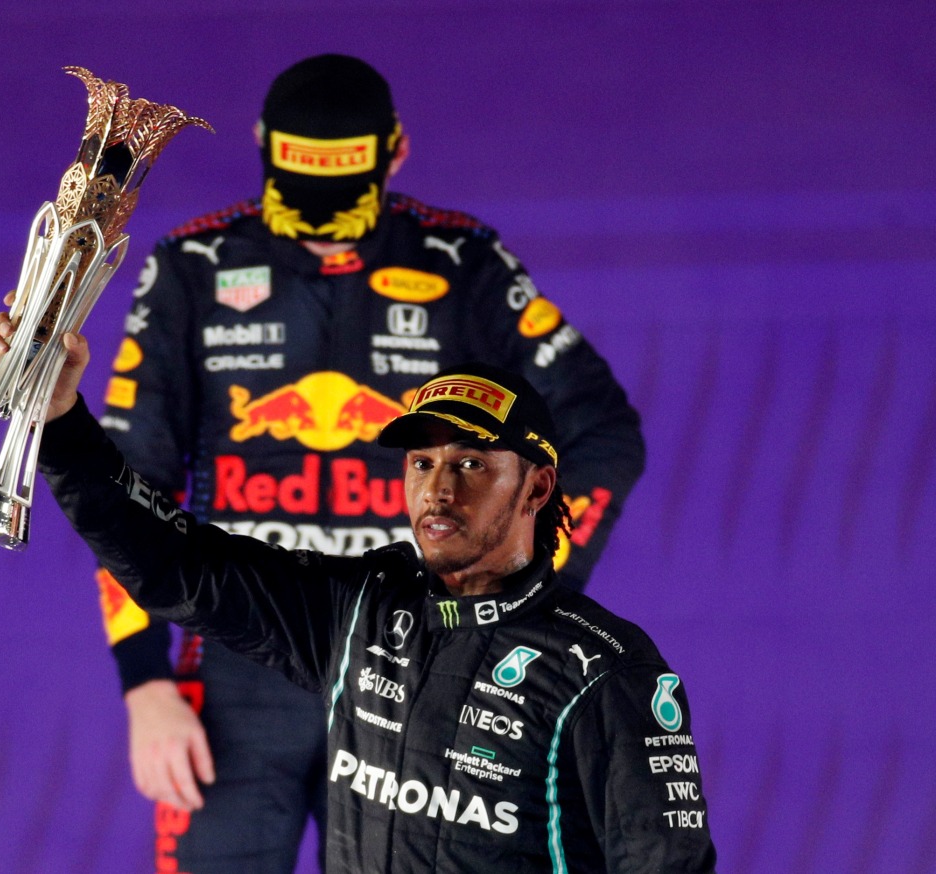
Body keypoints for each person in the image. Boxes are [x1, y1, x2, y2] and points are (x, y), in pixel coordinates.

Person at [91, 54, 646, 871]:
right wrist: (143, 681)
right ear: (261, 146)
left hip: (416, 656)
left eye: (343, 189)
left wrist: (520, 592)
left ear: (396, 152)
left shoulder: (463, 263)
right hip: (239, 655)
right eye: (300, 186)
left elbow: (602, 434)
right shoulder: (191, 267)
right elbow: (125, 487)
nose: (321, 220)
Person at [0, 317, 714, 870]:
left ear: (538, 486)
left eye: (470, 463)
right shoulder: (361, 605)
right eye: (422, 462)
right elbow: (178, 566)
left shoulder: (607, 671)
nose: (438, 488)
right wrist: (62, 422)